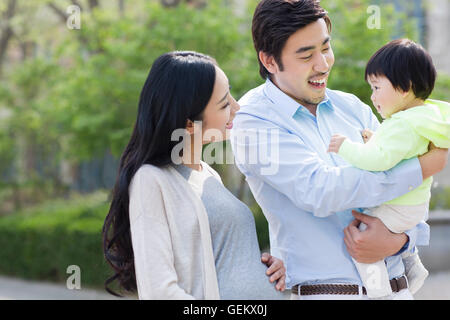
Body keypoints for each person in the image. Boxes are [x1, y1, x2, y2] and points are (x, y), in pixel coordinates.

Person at [229, 0, 449, 300]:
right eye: (306, 55)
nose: (323, 64)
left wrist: (400, 240)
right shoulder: (253, 120)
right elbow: (320, 190)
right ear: (269, 61)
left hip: (398, 290)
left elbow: (411, 196)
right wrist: (421, 167)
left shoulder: (352, 108)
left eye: (325, 48)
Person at [102, 51, 288, 300]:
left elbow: (222, 260)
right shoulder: (151, 180)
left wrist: (265, 267)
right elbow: (159, 291)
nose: (236, 106)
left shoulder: (208, 174)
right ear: (190, 123)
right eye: (224, 103)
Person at [328, 38, 450, 298]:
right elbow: (397, 155)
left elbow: (379, 162)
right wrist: (375, 140)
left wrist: (345, 147)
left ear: (404, 87)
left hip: (397, 206)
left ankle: (378, 290)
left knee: (364, 243)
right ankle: (413, 266)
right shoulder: (422, 117)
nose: (372, 97)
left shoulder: (402, 124)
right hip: (411, 205)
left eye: (376, 87)